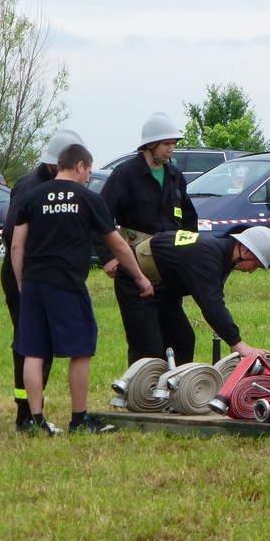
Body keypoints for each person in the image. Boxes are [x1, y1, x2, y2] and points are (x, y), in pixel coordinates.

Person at [11, 143, 153, 435]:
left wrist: (20, 282)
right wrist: (140, 276)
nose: (89, 176)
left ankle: (36, 421)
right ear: (79, 166)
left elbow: (16, 244)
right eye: (88, 170)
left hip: (35, 281)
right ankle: (79, 419)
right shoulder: (87, 198)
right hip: (67, 284)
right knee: (80, 350)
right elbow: (117, 245)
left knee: (34, 352)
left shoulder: (31, 196)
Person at [1, 128, 83, 432]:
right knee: (30, 344)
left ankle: (33, 411)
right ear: (55, 165)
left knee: (40, 344)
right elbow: (13, 237)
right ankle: (25, 415)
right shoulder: (30, 187)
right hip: (23, 274)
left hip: (44, 275)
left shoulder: (54, 186)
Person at [100, 112, 198, 366]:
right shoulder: (125, 175)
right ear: (150, 145)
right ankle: (141, 398)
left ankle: (177, 391)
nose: (171, 150)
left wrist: (188, 255)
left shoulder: (176, 176)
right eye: (167, 144)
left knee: (183, 338)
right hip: (134, 271)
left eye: (174, 144)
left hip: (167, 272)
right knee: (148, 346)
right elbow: (99, 218)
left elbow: (189, 219)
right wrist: (108, 257)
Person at [134, 227, 270, 358]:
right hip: (136, 284)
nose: (252, 271)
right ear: (246, 251)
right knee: (149, 347)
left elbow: (215, 301)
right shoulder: (208, 257)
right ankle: (140, 385)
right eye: (256, 264)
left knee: (182, 339)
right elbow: (212, 305)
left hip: (162, 290)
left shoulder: (222, 257)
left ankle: (178, 385)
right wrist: (237, 344)